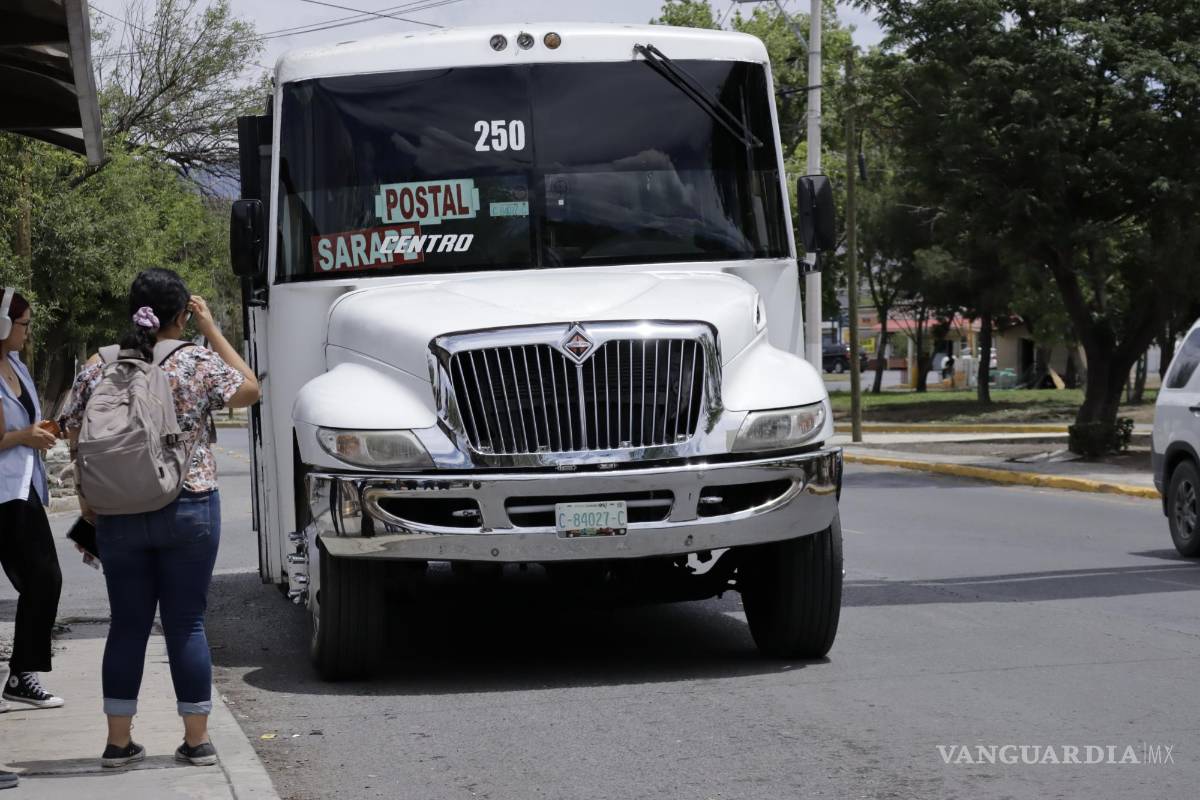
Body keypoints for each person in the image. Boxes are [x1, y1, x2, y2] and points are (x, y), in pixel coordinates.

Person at [63, 268, 260, 769]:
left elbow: (72, 428)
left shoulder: (98, 364)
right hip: (189, 505)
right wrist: (211, 329)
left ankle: (117, 743)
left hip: (116, 513)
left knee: (127, 624)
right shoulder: (194, 360)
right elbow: (250, 388)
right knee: (186, 623)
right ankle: (196, 742)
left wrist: (89, 497)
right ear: (180, 315)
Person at [0, 291, 64, 711]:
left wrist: (38, 430)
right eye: (22, 324)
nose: (27, 332)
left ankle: (23, 671)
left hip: (24, 488)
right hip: (5, 493)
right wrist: (25, 436)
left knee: (43, 579)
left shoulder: (17, 366)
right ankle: (23, 672)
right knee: (42, 577)